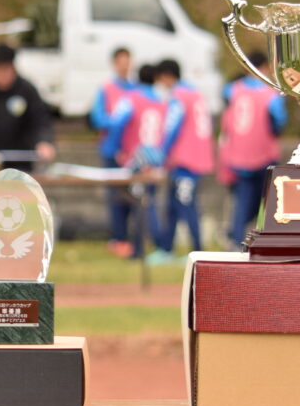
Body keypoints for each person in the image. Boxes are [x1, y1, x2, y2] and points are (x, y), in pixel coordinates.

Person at [218, 52, 287, 247]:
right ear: (264, 67)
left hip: (238, 156)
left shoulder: (232, 89)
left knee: (242, 201)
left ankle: (235, 239)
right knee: (266, 203)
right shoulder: (270, 92)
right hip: (264, 154)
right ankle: (261, 241)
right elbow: (279, 121)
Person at [105, 64, 170, 260]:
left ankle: (140, 248)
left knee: (135, 203)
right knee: (148, 202)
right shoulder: (163, 101)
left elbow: (116, 122)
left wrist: (116, 148)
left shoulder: (131, 98)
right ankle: (152, 245)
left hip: (135, 159)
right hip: (155, 159)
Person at [155, 59, 214, 256]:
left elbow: (172, 126)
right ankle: (166, 249)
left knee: (186, 205)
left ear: (166, 76)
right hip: (197, 157)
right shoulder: (196, 94)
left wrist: (161, 152)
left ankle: (198, 250)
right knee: (173, 205)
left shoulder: (179, 96)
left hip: (186, 161)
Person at [90, 47, 137, 258]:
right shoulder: (106, 89)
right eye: (121, 61)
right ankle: (118, 238)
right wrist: (117, 120)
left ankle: (133, 240)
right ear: (115, 63)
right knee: (115, 198)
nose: (124, 65)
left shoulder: (136, 90)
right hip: (111, 151)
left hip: (133, 154)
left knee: (133, 198)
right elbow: (97, 118)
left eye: (127, 60)